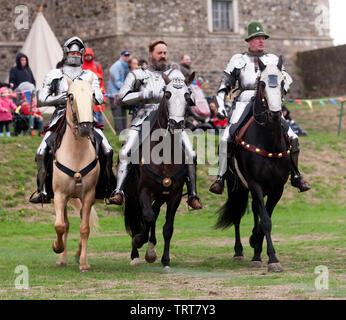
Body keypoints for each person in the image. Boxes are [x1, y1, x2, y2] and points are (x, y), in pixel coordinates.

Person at [209, 21, 311, 194]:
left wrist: (279, 92)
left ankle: (296, 175)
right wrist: (220, 107)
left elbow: (287, 79)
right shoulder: (237, 60)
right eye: (257, 38)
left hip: (269, 103)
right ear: (249, 40)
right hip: (243, 102)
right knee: (225, 138)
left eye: (263, 38)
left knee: (293, 137)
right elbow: (223, 87)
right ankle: (220, 178)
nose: (261, 41)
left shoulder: (273, 60)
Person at [109, 40, 202, 210]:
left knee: (191, 153)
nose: (163, 56)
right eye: (159, 53)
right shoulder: (137, 74)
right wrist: (146, 93)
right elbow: (122, 97)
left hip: (172, 120)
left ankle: (192, 194)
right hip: (143, 119)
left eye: (165, 53)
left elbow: (192, 98)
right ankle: (119, 191)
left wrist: (186, 94)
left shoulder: (176, 75)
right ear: (151, 54)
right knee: (125, 151)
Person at [29, 36, 114, 204]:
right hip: (61, 117)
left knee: (108, 150)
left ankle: (108, 187)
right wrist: (63, 98)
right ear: (66, 53)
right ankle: (43, 190)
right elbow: (41, 99)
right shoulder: (55, 74)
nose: (74, 55)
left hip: (85, 118)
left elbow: (99, 97)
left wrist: (88, 94)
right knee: (41, 152)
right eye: (71, 52)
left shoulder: (89, 75)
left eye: (77, 52)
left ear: (82, 54)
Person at [108, 50, 131, 134]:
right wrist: (127, 88)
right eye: (125, 55)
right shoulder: (116, 66)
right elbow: (116, 81)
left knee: (123, 115)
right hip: (114, 95)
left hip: (121, 95)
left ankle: (123, 133)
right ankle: (118, 134)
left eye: (128, 55)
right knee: (118, 116)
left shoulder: (125, 66)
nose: (127, 57)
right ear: (121, 55)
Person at [82, 47, 106, 125]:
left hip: (96, 89)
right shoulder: (81, 66)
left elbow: (101, 78)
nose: (88, 57)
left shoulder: (97, 65)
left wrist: (101, 89)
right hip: (85, 90)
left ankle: (99, 125)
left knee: (97, 109)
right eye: (87, 55)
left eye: (89, 55)